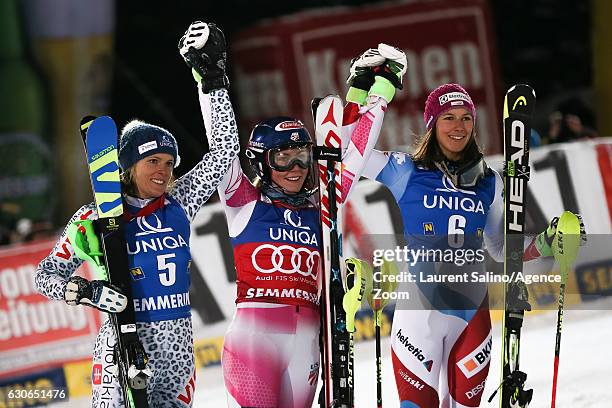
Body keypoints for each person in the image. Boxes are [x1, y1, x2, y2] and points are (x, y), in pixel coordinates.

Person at [178, 21, 406, 408]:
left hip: (308, 341)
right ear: (261, 163)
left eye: (302, 155)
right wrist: (211, 78)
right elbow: (221, 143)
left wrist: (378, 89)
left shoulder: (324, 206)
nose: (296, 167)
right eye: (282, 158)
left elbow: (352, 153)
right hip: (255, 340)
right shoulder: (243, 201)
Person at [34, 24, 239, 407]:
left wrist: (212, 81)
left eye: (168, 162)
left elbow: (225, 150)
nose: (163, 171)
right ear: (128, 166)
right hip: (120, 346)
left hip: (178, 348)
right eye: (151, 161)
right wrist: (88, 291)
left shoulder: (179, 201)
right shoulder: (93, 218)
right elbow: (45, 276)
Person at [346, 79, 583, 406]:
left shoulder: (490, 182)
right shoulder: (405, 171)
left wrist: (546, 242)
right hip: (419, 318)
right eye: (448, 118)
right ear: (431, 124)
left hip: (471, 314)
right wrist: (363, 95)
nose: (459, 126)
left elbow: (501, 248)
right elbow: (347, 152)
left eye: (466, 118)